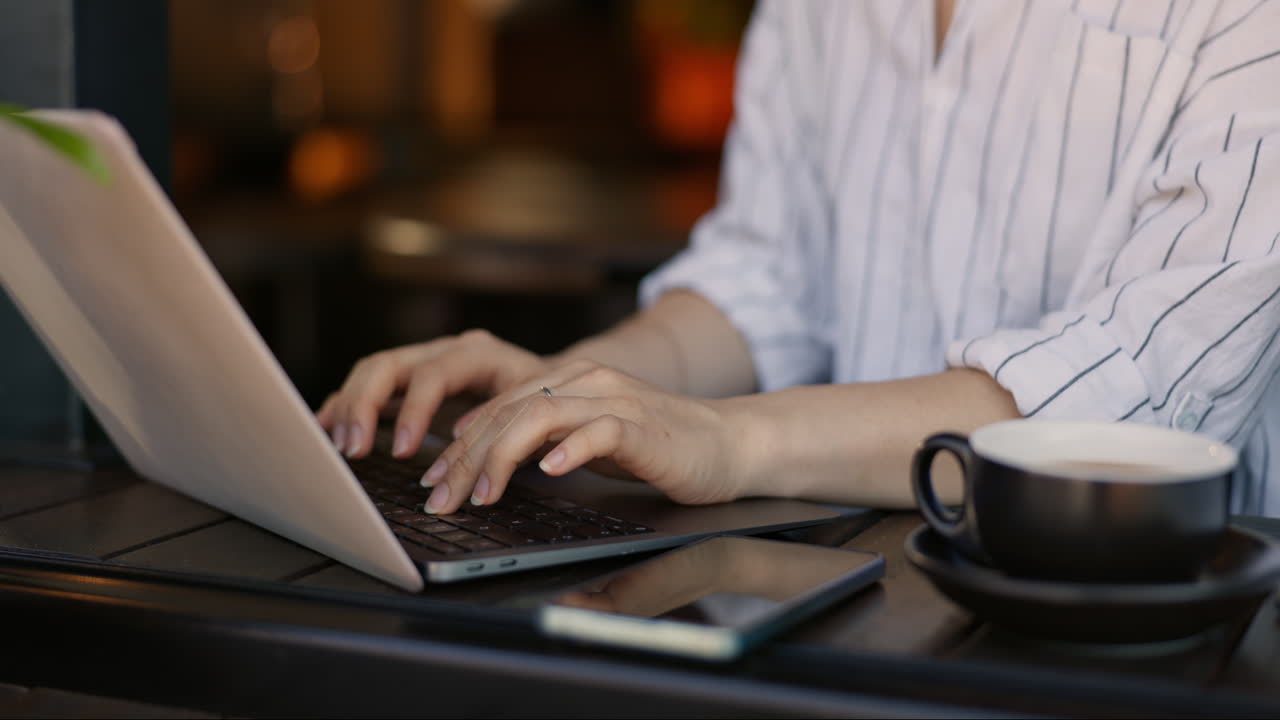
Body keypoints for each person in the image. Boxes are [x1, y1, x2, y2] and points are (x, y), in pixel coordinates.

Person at [318, 0, 1280, 518]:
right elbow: (766, 279)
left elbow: (1139, 392)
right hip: (863, 600)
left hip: (1154, 649)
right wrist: (567, 396)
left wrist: (732, 440)